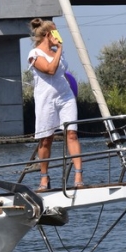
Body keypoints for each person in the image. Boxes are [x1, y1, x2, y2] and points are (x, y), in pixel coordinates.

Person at [28, 18, 82, 191]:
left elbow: (61, 72)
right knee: (46, 140)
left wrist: (58, 50)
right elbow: (50, 70)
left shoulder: (58, 52)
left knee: (72, 134)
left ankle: (78, 174)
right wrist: (58, 49)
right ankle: (44, 178)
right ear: (47, 35)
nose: (58, 36)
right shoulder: (34, 55)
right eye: (55, 32)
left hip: (65, 96)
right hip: (46, 100)